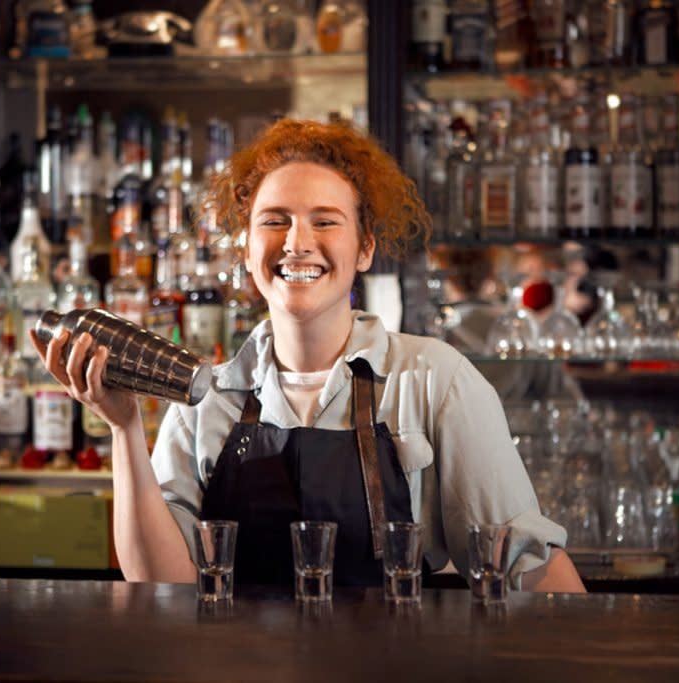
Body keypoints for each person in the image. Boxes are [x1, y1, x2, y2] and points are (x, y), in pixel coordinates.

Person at [30, 118, 585, 592]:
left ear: (364, 247)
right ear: (247, 250)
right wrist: (124, 428)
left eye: (325, 221)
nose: (297, 242)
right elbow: (162, 586)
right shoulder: (205, 402)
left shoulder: (434, 381)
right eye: (274, 221)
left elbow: (526, 566)